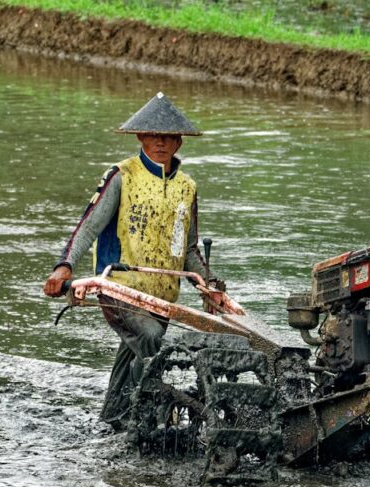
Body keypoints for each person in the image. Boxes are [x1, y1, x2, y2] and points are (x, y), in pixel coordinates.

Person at [43, 92, 232, 428]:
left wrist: (211, 285)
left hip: (162, 298)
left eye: (167, 137)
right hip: (120, 289)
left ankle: (113, 421)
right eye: (152, 136)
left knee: (133, 355)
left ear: (178, 142)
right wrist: (65, 265)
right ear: (141, 137)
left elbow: (187, 250)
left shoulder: (187, 188)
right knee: (149, 339)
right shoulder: (122, 176)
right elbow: (89, 226)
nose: (159, 142)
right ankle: (152, 419)